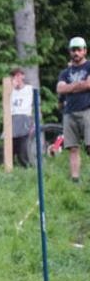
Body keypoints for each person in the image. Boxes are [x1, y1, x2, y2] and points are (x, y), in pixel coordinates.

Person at [57, 36, 90, 182]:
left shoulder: (89, 66)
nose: (76, 52)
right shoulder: (65, 72)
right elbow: (60, 89)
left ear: (84, 51)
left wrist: (69, 88)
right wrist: (79, 85)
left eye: (78, 49)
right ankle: (75, 179)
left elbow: (89, 85)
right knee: (72, 148)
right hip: (69, 112)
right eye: (73, 50)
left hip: (87, 110)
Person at [9, 67, 36, 168]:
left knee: (23, 146)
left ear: (23, 76)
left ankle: (27, 167)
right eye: (14, 76)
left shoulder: (29, 89)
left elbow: (33, 105)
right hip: (12, 118)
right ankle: (8, 168)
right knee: (9, 146)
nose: (16, 78)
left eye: (18, 75)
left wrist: (33, 123)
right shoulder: (10, 90)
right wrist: (11, 88)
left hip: (24, 117)